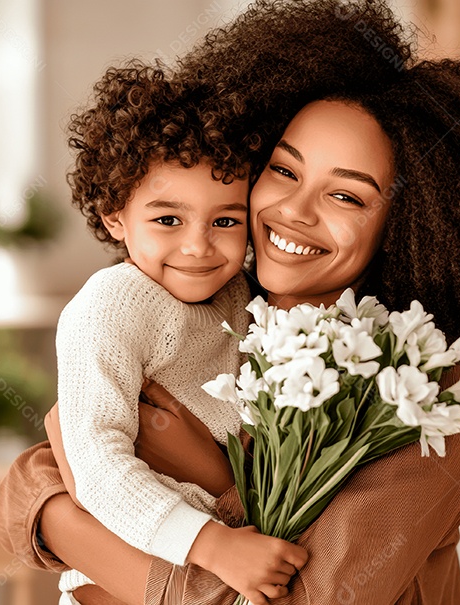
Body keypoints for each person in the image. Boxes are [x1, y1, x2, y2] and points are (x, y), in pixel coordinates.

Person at [0, 1, 460, 603]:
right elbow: (40, 471)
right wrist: (47, 503)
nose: (295, 212)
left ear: (412, 224)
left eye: (347, 197)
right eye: (282, 170)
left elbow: (299, 600)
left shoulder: (426, 403)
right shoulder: (220, 315)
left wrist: (74, 517)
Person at [51, 63, 307, 603]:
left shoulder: (243, 293)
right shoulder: (109, 305)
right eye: (168, 219)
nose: (198, 246)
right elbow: (95, 464)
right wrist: (213, 546)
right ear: (115, 214)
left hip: (223, 561)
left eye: (225, 221)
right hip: (121, 574)